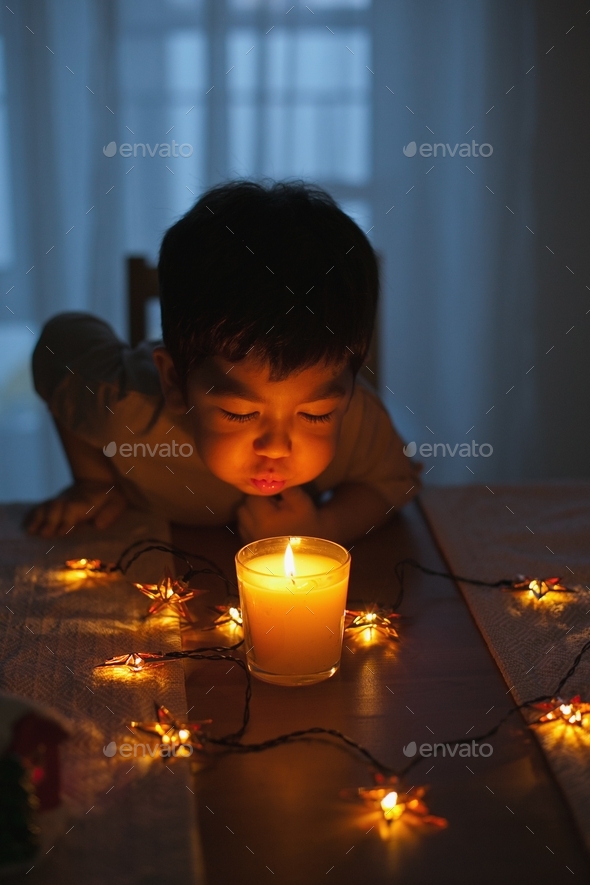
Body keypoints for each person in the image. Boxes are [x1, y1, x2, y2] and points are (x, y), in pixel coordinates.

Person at [26, 180, 420, 544]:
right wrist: (93, 481)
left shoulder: (358, 419)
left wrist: (324, 526)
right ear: (174, 383)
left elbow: (392, 484)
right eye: (239, 413)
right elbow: (60, 343)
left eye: (315, 415)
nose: (276, 448)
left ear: (350, 383)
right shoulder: (129, 407)